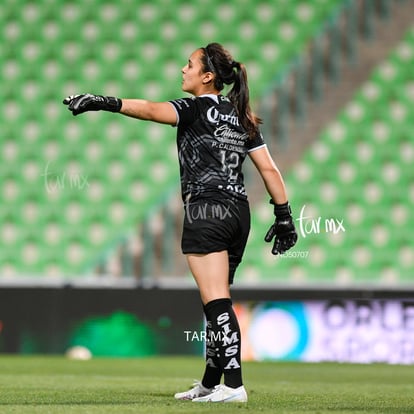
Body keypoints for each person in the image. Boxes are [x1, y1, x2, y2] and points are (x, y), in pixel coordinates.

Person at [63, 42, 297, 403]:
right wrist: (284, 216)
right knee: (217, 299)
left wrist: (103, 101)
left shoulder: (194, 108)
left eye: (189, 65)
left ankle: (234, 386)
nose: (182, 70)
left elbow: (151, 110)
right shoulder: (242, 117)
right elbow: (269, 168)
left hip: (206, 210)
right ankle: (209, 382)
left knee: (216, 302)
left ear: (207, 76)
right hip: (238, 214)